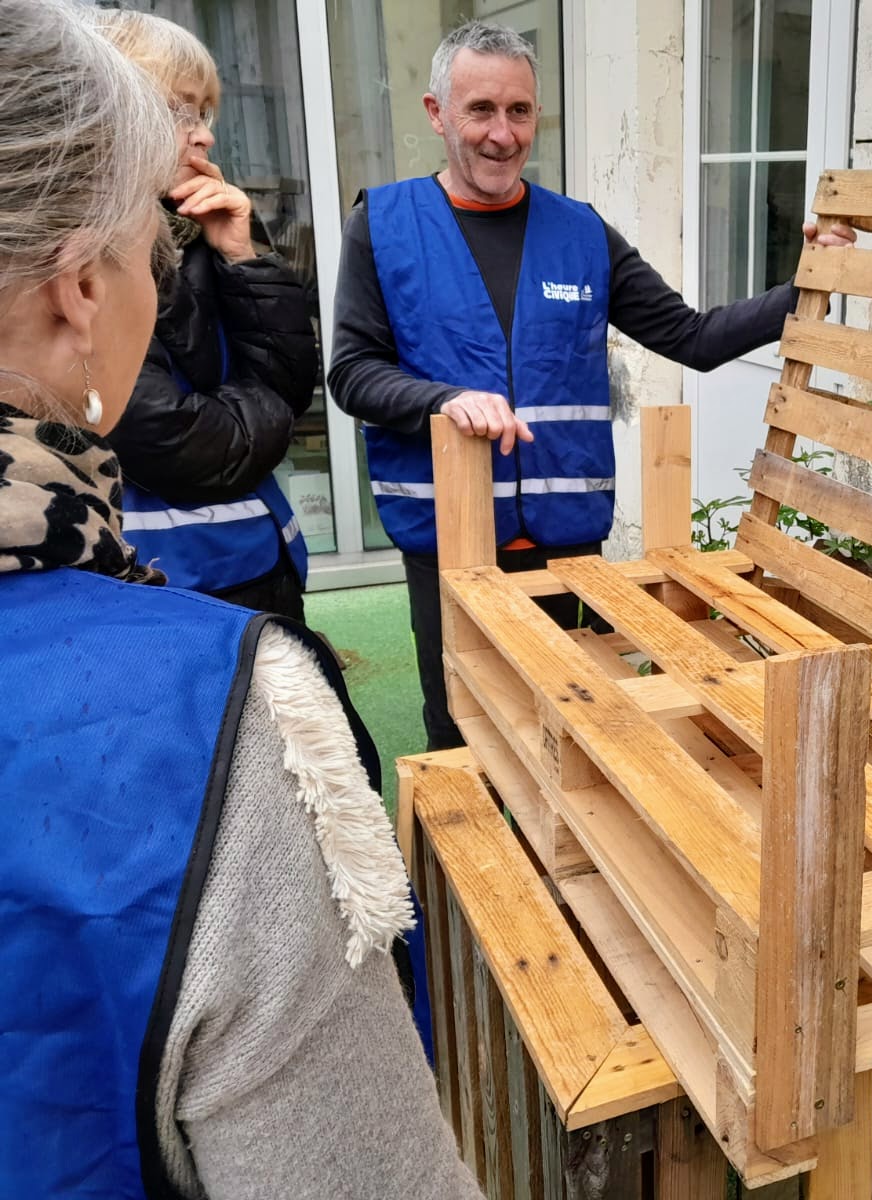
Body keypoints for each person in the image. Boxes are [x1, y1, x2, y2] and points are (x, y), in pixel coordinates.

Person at [0, 4, 482, 1195]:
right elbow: (217, 439)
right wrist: (254, 426)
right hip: (174, 632)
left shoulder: (220, 249)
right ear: (77, 290)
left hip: (222, 582)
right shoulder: (218, 720)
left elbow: (278, 392)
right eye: (135, 265)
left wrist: (245, 266)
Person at [329, 19, 855, 752]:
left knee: (564, 729)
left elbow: (692, 339)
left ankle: (551, 872)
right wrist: (442, 401)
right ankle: (459, 871)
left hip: (565, 545)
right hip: (449, 538)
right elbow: (352, 372)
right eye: (480, 110)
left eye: (520, 112)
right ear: (436, 112)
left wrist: (804, 288)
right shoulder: (381, 226)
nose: (502, 134)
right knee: (460, 728)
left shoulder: (580, 232)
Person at [90, 10, 317, 621]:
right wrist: (269, 403)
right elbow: (181, 446)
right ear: (107, 116)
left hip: (261, 563)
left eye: (204, 112)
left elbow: (296, 383)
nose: (204, 135)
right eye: (177, 110)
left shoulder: (205, 228)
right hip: (161, 587)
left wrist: (242, 257)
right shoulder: (80, 255)